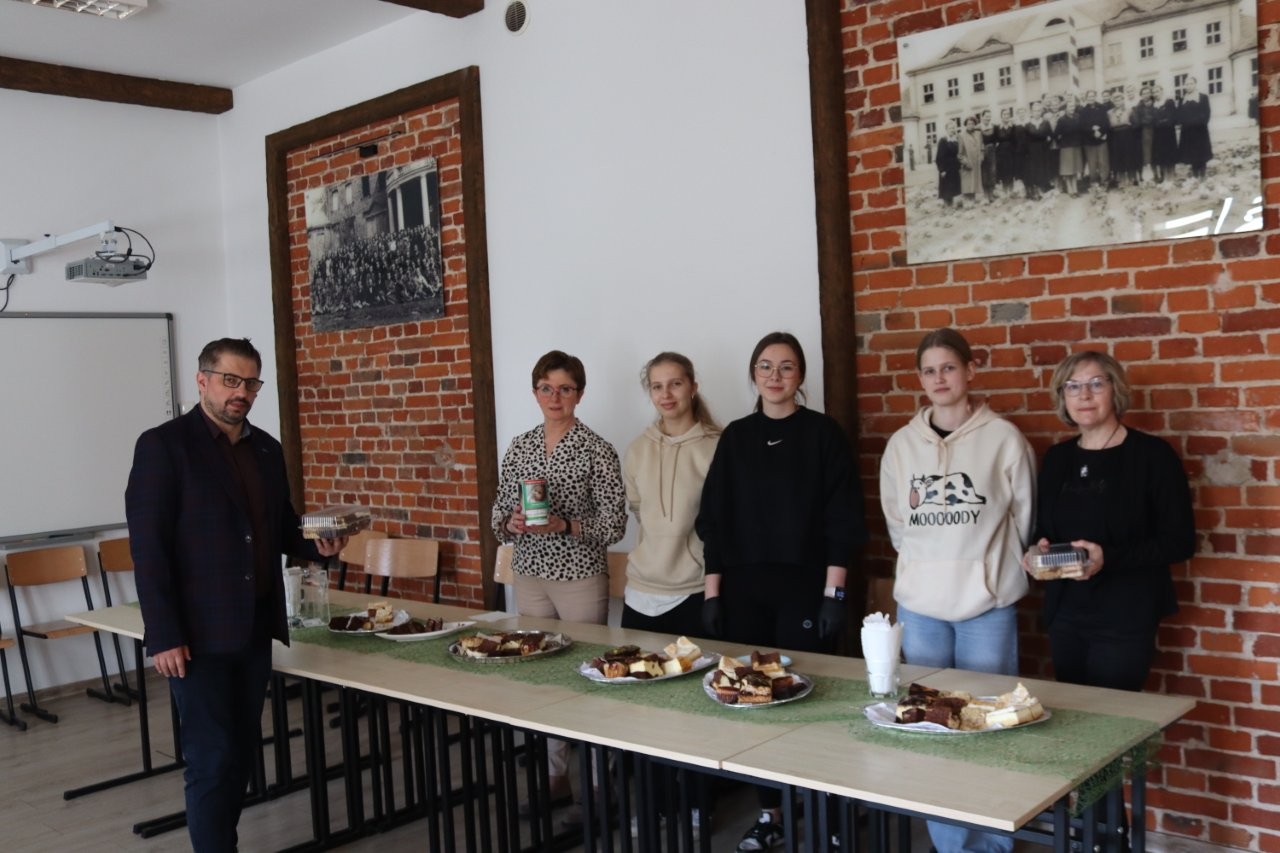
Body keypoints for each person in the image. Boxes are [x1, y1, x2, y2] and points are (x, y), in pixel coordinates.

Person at [125, 338, 345, 853]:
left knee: (240, 754)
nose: (240, 392)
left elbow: (281, 527)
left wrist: (320, 545)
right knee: (212, 758)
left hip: (252, 629)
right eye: (230, 380)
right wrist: (164, 634)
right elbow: (149, 549)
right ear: (202, 380)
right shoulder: (163, 446)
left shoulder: (266, 448)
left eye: (250, 383)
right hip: (195, 637)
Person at [696, 331, 866, 852]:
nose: (775, 376)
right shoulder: (736, 437)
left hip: (805, 589)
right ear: (754, 374)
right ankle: (770, 812)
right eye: (765, 366)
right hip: (745, 590)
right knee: (754, 700)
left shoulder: (822, 434)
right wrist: (712, 594)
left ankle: (829, 808)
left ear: (800, 376)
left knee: (810, 701)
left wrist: (834, 596)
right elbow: (715, 521)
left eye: (786, 367)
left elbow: (843, 519)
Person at [879, 328, 1035, 853]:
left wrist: (989, 569)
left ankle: (992, 844)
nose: (939, 378)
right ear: (920, 380)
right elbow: (899, 524)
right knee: (930, 729)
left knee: (988, 724)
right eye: (929, 370)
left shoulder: (1004, 439)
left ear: (970, 371)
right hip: (921, 608)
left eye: (948, 367)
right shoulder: (902, 446)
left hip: (986, 606)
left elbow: (1023, 518)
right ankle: (951, 845)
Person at [490, 349, 627, 810]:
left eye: (565, 388)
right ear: (535, 393)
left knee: (587, 676)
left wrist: (565, 525)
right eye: (546, 388)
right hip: (530, 574)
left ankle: (599, 785)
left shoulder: (596, 448)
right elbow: (497, 516)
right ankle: (556, 778)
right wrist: (511, 523)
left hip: (579, 576)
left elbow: (614, 525)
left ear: (579, 394)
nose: (555, 396)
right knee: (542, 678)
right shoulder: (519, 446)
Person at [1024, 351, 1195, 691]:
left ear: (1115, 390)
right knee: (1071, 711)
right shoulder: (1058, 459)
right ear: (1063, 397)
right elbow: (1045, 529)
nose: (1084, 395)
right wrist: (1037, 550)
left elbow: (1180, 541)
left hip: (1126, 613)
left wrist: (1109, 557)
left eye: (1095, 384)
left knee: (1113, 714)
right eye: (1072, 386)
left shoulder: (1152, 456)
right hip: (1065, 613)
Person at [621, 352, 720, 635]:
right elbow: (639, 511)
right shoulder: (638, 449)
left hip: (695, 591)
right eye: (657, 386)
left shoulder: (717, 446)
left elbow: (723, 524)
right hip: (640, 592)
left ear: (693, 387)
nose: (666, 394)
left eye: (675, 384)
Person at [1176, 76, 1213, 180]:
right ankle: (1195, 175)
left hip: (1200, 131)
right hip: (1187, 131)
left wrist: (1200, 123)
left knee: (1201, 153)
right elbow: (1179, 114)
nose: (1189, 86)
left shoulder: (1203, 97)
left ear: (1195, 84)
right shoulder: (1183, 99)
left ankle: (1203, 174)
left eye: (1191, 83)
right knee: (1191, 154)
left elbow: (1207, 113)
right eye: (1187, 84)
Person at [957, 115, 984, 207]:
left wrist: (981, 156)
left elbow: (982, 146)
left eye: (972, 123)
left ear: (975, 124)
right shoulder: (961, 135)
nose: (970, 125)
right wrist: (965, 162)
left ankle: (973, 199)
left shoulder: (978, 134)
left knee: (975, 182)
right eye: (968, 123)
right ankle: (967, 201)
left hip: (976, 161)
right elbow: (960, 154)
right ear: (965, 125)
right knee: (967, 183)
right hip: (968, 162)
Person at [935, 118, 962, 206]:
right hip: (946, 168)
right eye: (950, 128)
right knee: (946, 188)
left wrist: (959, 165)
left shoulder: (955, 140)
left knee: (953, 187)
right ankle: (947, 206)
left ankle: (951, 204)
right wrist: (942, 170)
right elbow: (939, 157)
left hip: (954, 167)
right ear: (946, 129)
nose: (952, 130)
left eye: (954, 128)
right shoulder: (943, 140)